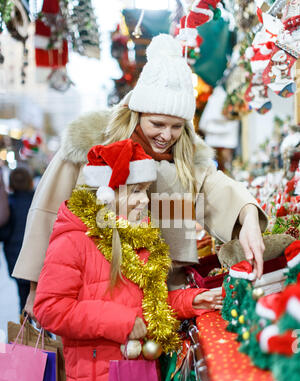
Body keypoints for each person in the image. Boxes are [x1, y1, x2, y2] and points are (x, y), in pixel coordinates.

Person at [13, 33, 268, 321]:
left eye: (176, 126)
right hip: (96, 299)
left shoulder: (185, 159)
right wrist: (36, 287)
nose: (166, 135)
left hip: (165, 300)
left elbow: (218, 188)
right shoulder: (90, 144)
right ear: (136, 114)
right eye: (157, 123)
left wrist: (248, 217)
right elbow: (49, 214)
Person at [33, 140, 223, 381]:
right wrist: (121, 321)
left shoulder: (139, 237)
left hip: (140, 377)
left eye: (145, 191)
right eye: (135, 191)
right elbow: (49, 308)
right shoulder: (74, 239)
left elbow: (147, 303)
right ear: (107, 193)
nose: (144, 201)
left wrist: (189, 301)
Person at [0, 167, 34, 313]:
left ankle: (25, 332)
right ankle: (46, 333)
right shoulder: (37, 200)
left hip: (17, 260)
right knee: (42, 299)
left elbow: (4, 234)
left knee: (22, 298)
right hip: (37, 259)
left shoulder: (9, 204)